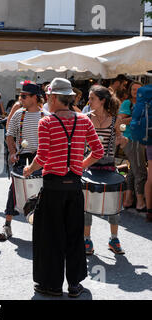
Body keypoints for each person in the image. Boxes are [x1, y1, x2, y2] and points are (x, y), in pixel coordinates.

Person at [23, 78, 104, 298]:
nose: (47, 99)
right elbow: (98, 151)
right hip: (74, 187)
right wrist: (79, 165)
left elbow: (43, 156)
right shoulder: (84, 121)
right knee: (74, 236)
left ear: (54, 97)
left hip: (53, 188)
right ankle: (74, 285)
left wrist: (29, 169)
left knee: (50, 237)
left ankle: (51, 286)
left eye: (48, 96)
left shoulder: (46, 123)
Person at [0, 82, 46, 241]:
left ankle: (44, 227)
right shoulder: (19, 114)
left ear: (34, 98)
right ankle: (7, 225)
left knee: (43, 193)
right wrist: (12, 152)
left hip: (40, 158)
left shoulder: (46, 116)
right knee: (14, 190)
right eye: (20, 96)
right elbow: (9, 135)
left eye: (24, 96)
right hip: (22, 158)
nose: (20, 99)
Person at [84, 85, 128, 255]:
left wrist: (121, 140)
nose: (89, 101)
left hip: (109, 165)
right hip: (89, 164)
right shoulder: (86, 118)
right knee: (86, 204)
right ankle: (87, 240)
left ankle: (114, 238)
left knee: (113, 204)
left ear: (102, 100)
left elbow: (119, 138)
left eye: (92, 98)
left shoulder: (115, 119)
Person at [118, 81, 147, 212]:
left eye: (139, 89)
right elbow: (120, 121)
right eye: (134, 89)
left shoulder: (145, 103)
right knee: (140, 171)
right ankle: (140, 202)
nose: (136, 92)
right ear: (130, 91)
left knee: (133, 170)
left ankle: (128, 199)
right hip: (131, 139)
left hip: (141, 139)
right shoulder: (127, 103)